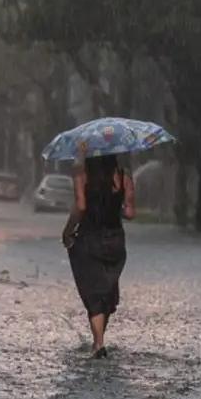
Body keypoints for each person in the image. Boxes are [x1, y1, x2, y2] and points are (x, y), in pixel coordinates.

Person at [62, 148, 136, 359]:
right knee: (106, 291)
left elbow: (81, 207)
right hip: (115, 241)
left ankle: (98, 344)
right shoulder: (123, 176)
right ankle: (100, 339)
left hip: (89, 238)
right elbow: (130, 212)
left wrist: (67, 231)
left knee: (93, 291)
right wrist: (113, 207)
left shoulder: (81, 174)